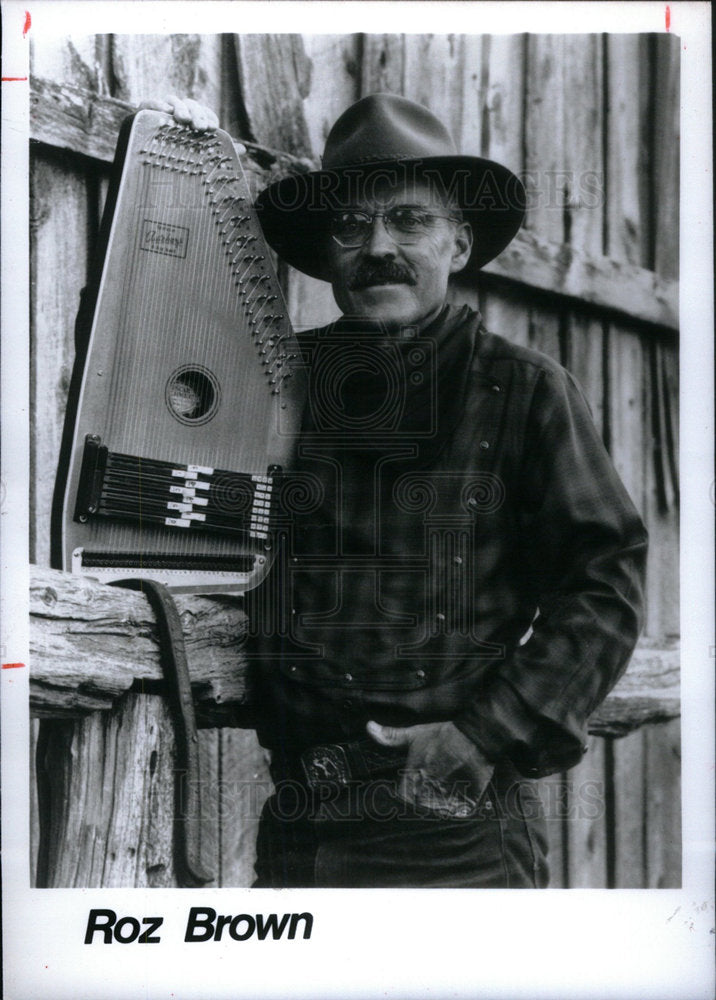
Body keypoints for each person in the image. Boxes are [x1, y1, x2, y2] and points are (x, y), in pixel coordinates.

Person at [157, 92, 648, 888]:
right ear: (329, 253)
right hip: (297, 827)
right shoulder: (280, 384)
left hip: (453, 833)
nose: (378, 246)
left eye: (410, 221)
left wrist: (488, 735)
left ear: (458, 243)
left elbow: (606, 584)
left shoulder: (523, 391)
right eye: (352, 227)